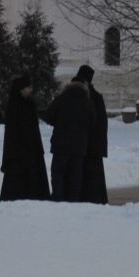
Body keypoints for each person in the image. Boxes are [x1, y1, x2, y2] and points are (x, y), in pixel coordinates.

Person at [42, 70, 92, 202]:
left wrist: (58, 123)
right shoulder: (87, 102)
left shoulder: (61, 99)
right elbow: (93, 121)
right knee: (75, 176)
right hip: (79, 146)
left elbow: (48, 116)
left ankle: (58, 199)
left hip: (60, 144)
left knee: (58, 173)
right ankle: (73, 200)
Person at [0, 76, 49, 201]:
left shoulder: (29, 104)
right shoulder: (15, 105)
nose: (30, 90)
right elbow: (13, 131)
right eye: (27, 87)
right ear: (21, 89)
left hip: (32, 148)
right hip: (19, 150)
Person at [77, 64, 109, 204]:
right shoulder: (96, 97)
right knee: (95, 178)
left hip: (88, 145)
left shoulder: (87, 97)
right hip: (96, 146)